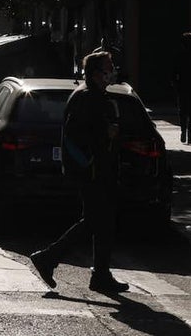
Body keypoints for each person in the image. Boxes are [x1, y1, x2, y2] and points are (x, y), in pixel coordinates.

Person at [29, 51, 128, 294]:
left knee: (103, 222)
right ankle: (48, 257)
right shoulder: (86, 97)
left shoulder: (97, 95)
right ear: (96, 73)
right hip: (91, 171)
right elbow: (76, 135)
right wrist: (105, 135)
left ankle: (100, 275)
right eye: (108, 67)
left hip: (101, 169)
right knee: (95, 220)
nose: (112, 71)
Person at [173, 32, 191, 144]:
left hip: (183, 86)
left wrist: (175, 85)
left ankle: (183, 131)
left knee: (183, 112)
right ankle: (190, 136)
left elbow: (173, 73)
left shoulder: (179, 56)